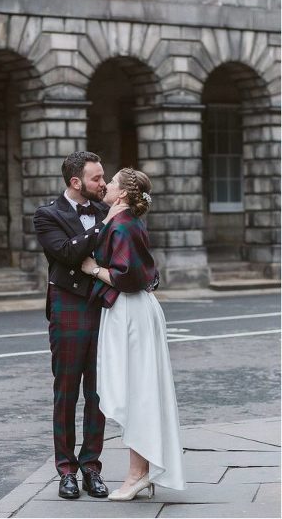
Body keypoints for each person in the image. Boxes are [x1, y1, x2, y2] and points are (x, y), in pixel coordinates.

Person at [80, 168, 185, 500]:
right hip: (129, 310)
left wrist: (94, 269)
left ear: (123, 193)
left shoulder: (125, 224)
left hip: (131, 311)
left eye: (111, 183)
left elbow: (129, 278)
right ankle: (141, 471)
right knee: (137, 389)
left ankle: (138, 474)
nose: (106, 186)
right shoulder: (121, 219)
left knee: (137, 390)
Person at [33, 151, 127, 500]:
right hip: (68, 305)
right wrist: (105, 226)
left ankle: (91, 467)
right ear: (76, 182)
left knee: (98, 393)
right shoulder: (48, 215)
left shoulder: (106, 210)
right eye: (96, 179)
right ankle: (67, 470)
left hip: (105, 306)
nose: (103, 184)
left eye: (104, 178)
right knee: (67, 390)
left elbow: (125, 251)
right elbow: (68, 253)